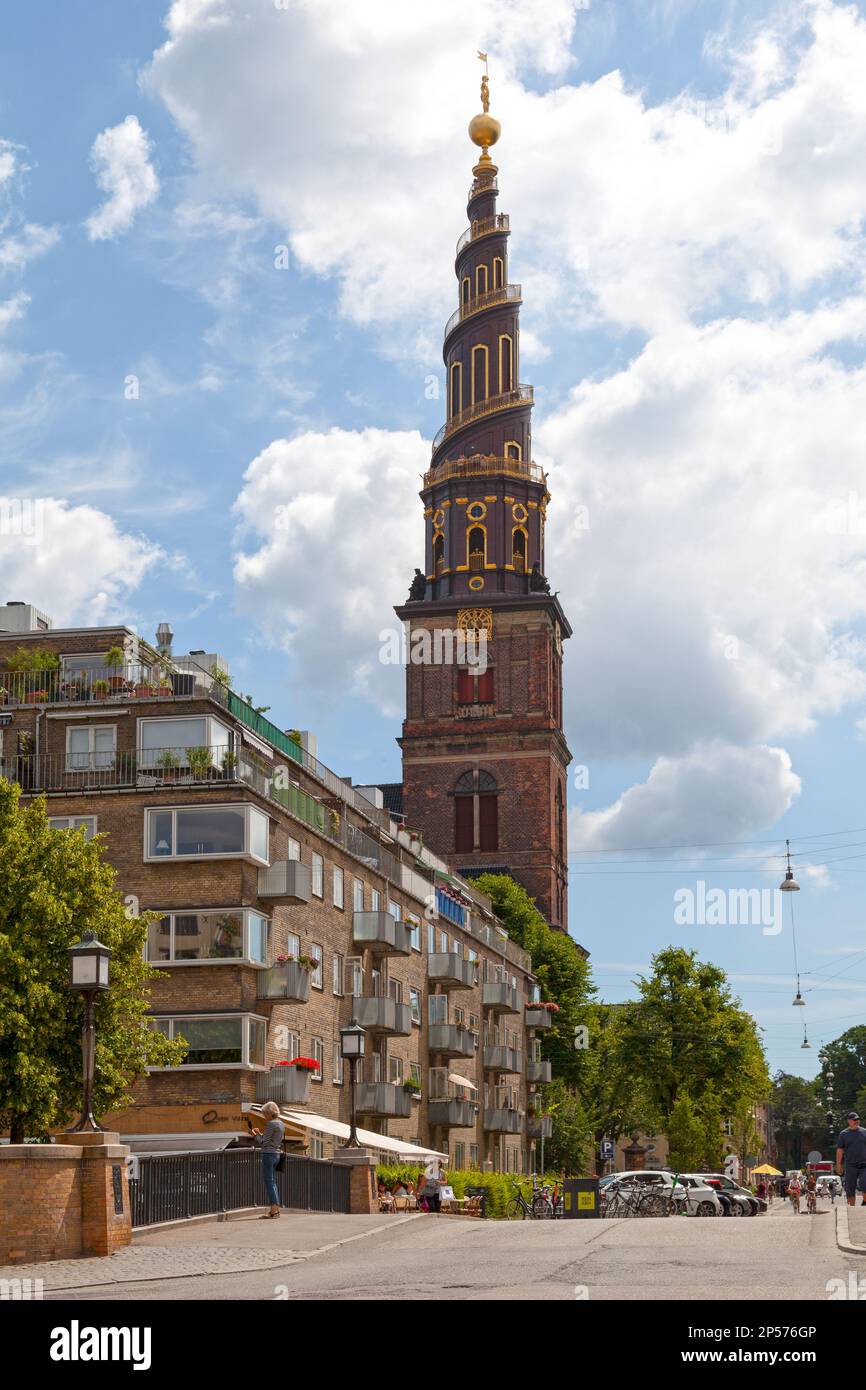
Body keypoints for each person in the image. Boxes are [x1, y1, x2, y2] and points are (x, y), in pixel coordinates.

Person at [250, 1101, 284, 1219]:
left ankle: (274, 1211)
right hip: (276, 1155)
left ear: (269, 1113)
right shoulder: (281, 1124)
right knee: (273, 1182)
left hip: (268, 1155)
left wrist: (254, 1135)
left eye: (265, 1114)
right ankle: (275, 1210)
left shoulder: (271, 1124)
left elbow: (263, 1143)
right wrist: (260, 1133)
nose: (264, 1116)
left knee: (269, 1182)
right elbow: (270, 1139)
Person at [836, 1111, 866, 1207]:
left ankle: (865, 1202)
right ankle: (852, 1209)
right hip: (850, 1165)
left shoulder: (864, 1132)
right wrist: (839, 1165)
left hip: (864, 1164)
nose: (856, 1121)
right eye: (854, 1120)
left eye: (858, 1119)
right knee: (850, 1187)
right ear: (849, 1121)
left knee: (864, 1183)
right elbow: (840, 1150)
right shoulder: (843, 1134)